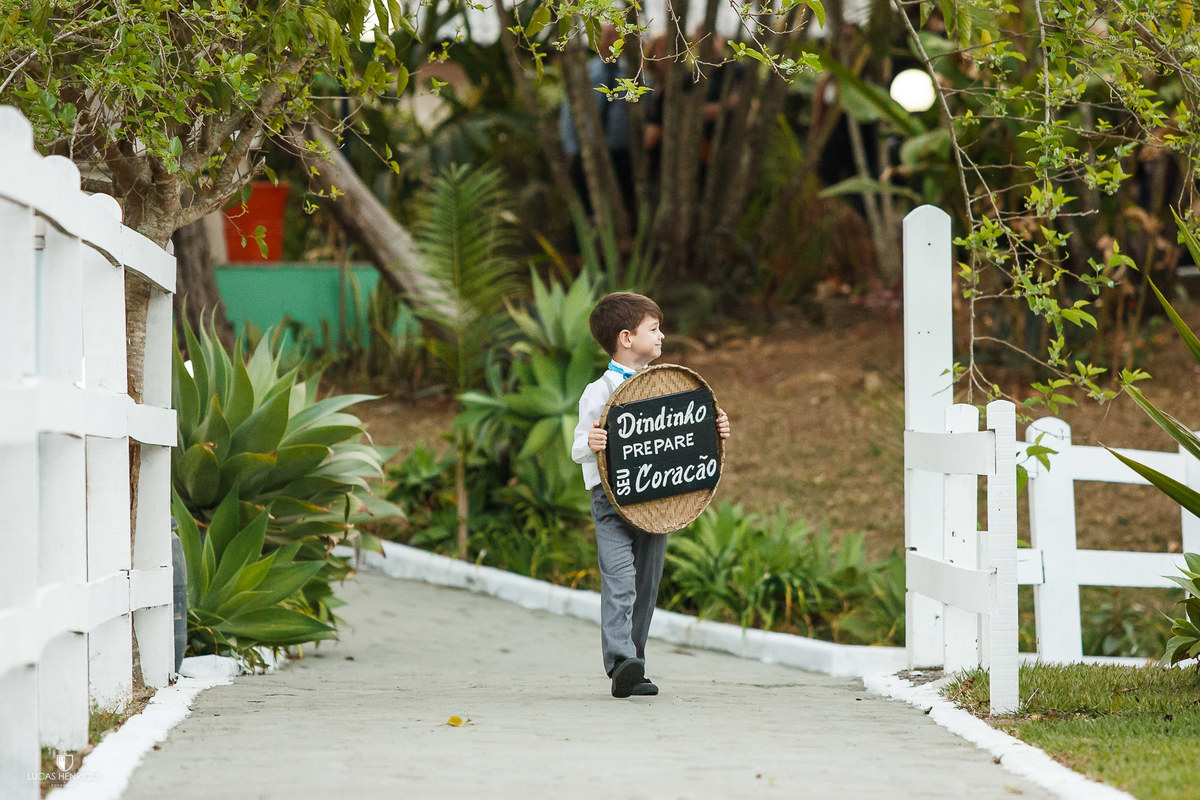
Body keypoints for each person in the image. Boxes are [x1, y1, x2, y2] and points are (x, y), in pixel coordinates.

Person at [570, 292, 731, 698]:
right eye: (654, 329)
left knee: (646, 583)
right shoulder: (598, 391)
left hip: (657, 501)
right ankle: (619, 660)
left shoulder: (663, 389)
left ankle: (634, 665)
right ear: (626, 337)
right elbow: (576, 448)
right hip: (611, 501)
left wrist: (714, 428)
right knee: (621, 580)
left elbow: (678, 436)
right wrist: (592, 440)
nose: (662, 337)